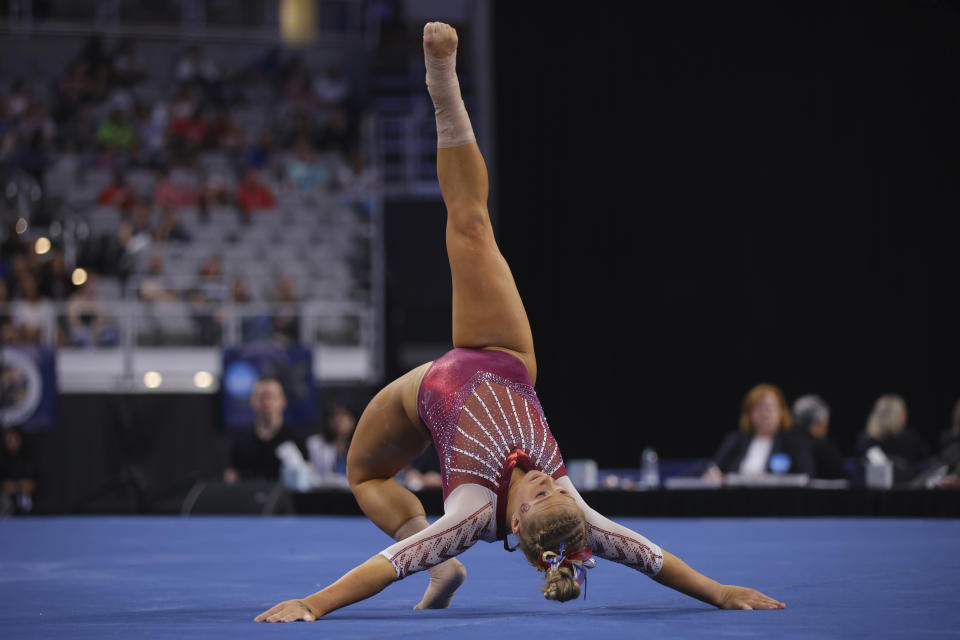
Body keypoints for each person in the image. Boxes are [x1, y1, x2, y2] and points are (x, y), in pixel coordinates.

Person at [255, 23, 785, 624]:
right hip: (505, 356)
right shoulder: (571, 513)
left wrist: (312, 604)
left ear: (511, 521)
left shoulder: (472, 515)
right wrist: (720, 593)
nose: (548, 482)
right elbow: (651, 558)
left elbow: (386, 564)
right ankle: (444, 84)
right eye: (557, 489)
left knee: (363, 473)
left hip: (428, 390)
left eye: (539, 493)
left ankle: (443, 566)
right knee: (472, 224)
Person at [703, 383, 814, 481]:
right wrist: (714, 475)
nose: (764, 414)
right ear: (749, 414)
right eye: (758, 409)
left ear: (781, 412)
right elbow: (714, 469)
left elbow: (805, 476)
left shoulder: (794, 442)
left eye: (769, 408)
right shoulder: (737, 439)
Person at [223, 378, 306, 485]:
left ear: (283, 401)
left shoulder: (296, 440)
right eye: (261, 397)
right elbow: (232, 477)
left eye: (272, 397)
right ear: (252, 402)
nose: (266, 402)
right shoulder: (240, 442)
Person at [855, 394, 931, 484]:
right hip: (905, 491)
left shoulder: (865, 439)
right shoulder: (910, 438)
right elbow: (925, 465)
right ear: (902, 415)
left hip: (871, 493)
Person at [792, 394, 849, 480]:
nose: (825, 426)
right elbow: (842, 478)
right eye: (824, 422)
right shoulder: (824, 448)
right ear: (818, 423)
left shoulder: (784, 441)